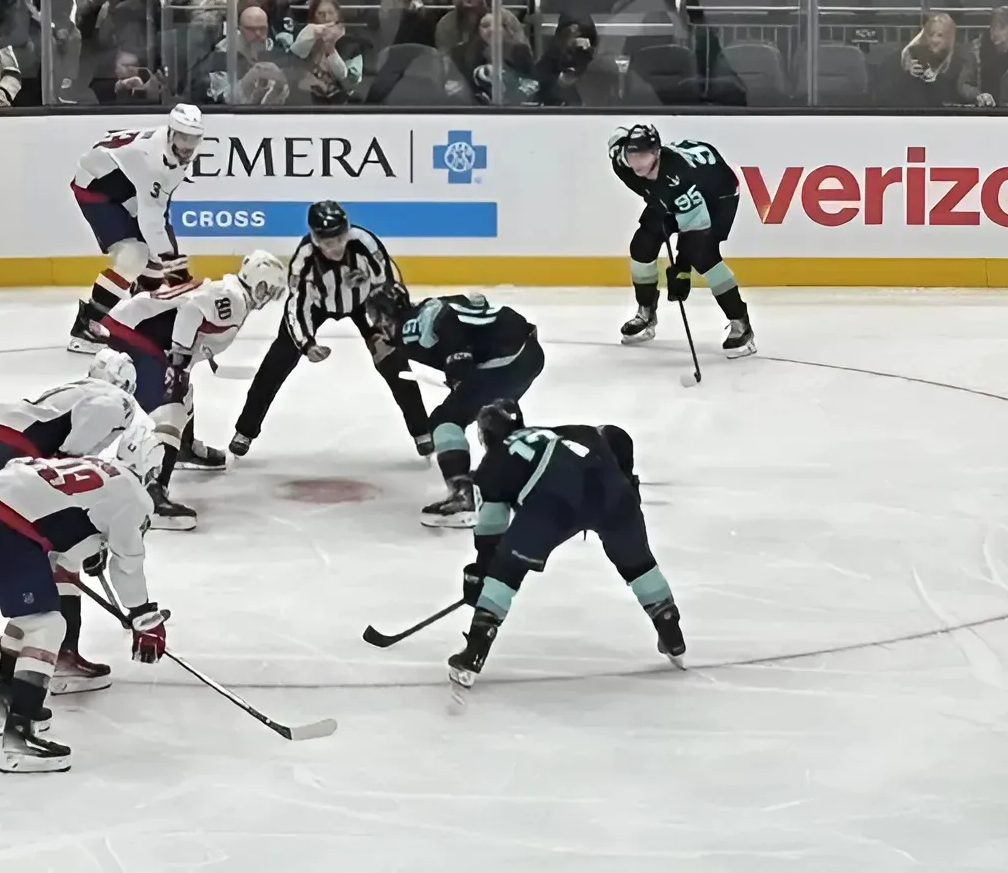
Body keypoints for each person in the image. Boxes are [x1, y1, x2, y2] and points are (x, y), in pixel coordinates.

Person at [0, 420, 172, 773]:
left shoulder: (98, 468)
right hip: (7, 530)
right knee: (46, 625)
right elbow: (128, 561)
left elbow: (57, 518)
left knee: (29, 620)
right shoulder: (132, 493)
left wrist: (87, 546)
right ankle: (21, 735)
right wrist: (144, 616)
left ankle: (3, 705)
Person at [448, 399, 684, 689]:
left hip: (554, 506)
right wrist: (626, 482)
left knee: (505, 571)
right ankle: (668, 623)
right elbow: (615, 435)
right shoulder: (565, 431)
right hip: (614, 494)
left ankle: (475, 651)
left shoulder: (494, 461)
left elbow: (490, 533)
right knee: (638, 565)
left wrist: (482, 572)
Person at [0, 349, 142, 692]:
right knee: (46, 547)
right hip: (9, 450)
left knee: (11, 534)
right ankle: (63, 654)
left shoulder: (78, 388)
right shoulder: (116, 402)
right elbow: (69, 462)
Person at [100, 251, 290, 527]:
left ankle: (184, 449)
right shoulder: (234, 300)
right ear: (260, 286)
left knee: (182, 396)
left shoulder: (231, 292)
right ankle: (153, 495)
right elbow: (191, 311)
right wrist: (177, 359)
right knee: (172, 410)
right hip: (137, 336)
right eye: (270, 290)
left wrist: (180, 363)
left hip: (136, 331)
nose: (270, 296)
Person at [232, 201, 430, 458]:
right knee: (275, 363)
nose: (334, 247)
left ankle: (422, 431)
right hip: (317, 307)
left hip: (366, 303)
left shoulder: (366, 244)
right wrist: (307, 344)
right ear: (314, 239)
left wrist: (385, 329)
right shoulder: (303, 259)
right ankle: (245, 430)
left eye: (339, 238)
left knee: (394, 362)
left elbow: (389, 286)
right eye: (326, 242)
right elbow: (297, 307)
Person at [362, 283, 545, 528]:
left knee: (444, 419)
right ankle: (520, 481)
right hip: (526, 352)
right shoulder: (425, 307)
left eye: (375, 318)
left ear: (383, 316)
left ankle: (463, 498)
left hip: (505, 358)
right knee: (492, 414)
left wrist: (458, 362)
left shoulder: (408, 327)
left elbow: (447, 322)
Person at [66, 104, 206, 353]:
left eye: (193, 138)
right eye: (183, 137)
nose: (188, 145)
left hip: (124, 182)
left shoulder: (172, 151)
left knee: (154, 257)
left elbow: (159, 215)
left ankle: (141, 311)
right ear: (172, 133)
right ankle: (89, 325)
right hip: (96, 187)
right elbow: (152, 222)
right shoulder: (150, 158)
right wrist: (178, 275)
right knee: (134, 255)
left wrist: (173, 270)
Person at [608, 124, 753, 357]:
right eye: (632, 155)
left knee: (704, 256)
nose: (637, 164)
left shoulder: (678, 176)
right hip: (667, 194)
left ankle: (741, 324)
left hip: (717, 195)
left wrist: (682, 269)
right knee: (642, 245)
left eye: (643, 155)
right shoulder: (621, 162)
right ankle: (646, 313)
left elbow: (695, 229)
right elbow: (616, 140)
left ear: (656, 152)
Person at [875, 11, 962, 108]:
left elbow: (954, 100)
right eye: (929, 34)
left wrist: (933, 76)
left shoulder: (955, 62)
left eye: (940, 35)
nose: (934, 40)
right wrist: (908, 75)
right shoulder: (894, 60)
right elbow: (882, 97)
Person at [290, 0, 364, 103]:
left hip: (340, 99)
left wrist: (331, 51)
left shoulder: (352, 42)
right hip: (307, 97)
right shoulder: (306, 34)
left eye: (331, 13)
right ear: (313, 16)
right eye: (321, 14)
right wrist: (312, 34)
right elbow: (295, 57)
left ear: (338, 14)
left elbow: (348, 81)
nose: (326, 18)